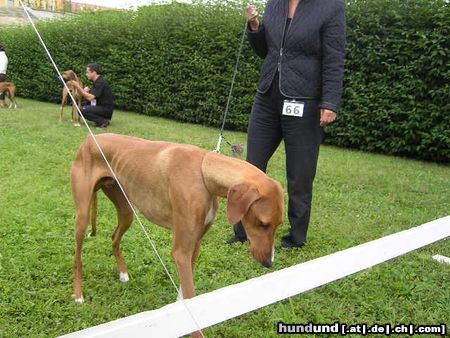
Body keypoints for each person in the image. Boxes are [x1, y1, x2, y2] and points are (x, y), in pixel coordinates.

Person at [227, 0, 346, 248]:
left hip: (305, 101)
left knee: (300, 174)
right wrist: (255, 27)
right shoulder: (275, 4)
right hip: (267, 97)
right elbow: (267, 51)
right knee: (251, 168)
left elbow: (334, 58)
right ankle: (242, 230)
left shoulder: (331, 6)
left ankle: (296, 236)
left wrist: (330, 102)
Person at [69, 63, 114, 128]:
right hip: (101, 107)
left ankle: (102, 121)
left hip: (105, 110)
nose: (86, 74)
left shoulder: (100, 82)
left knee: (81, 111)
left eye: (87, 72)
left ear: (94, 72)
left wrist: (78, 86)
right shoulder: (98, 81)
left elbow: (90, 98)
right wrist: (84, 91)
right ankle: (101, 120)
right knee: (83, 106)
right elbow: (91, 97)